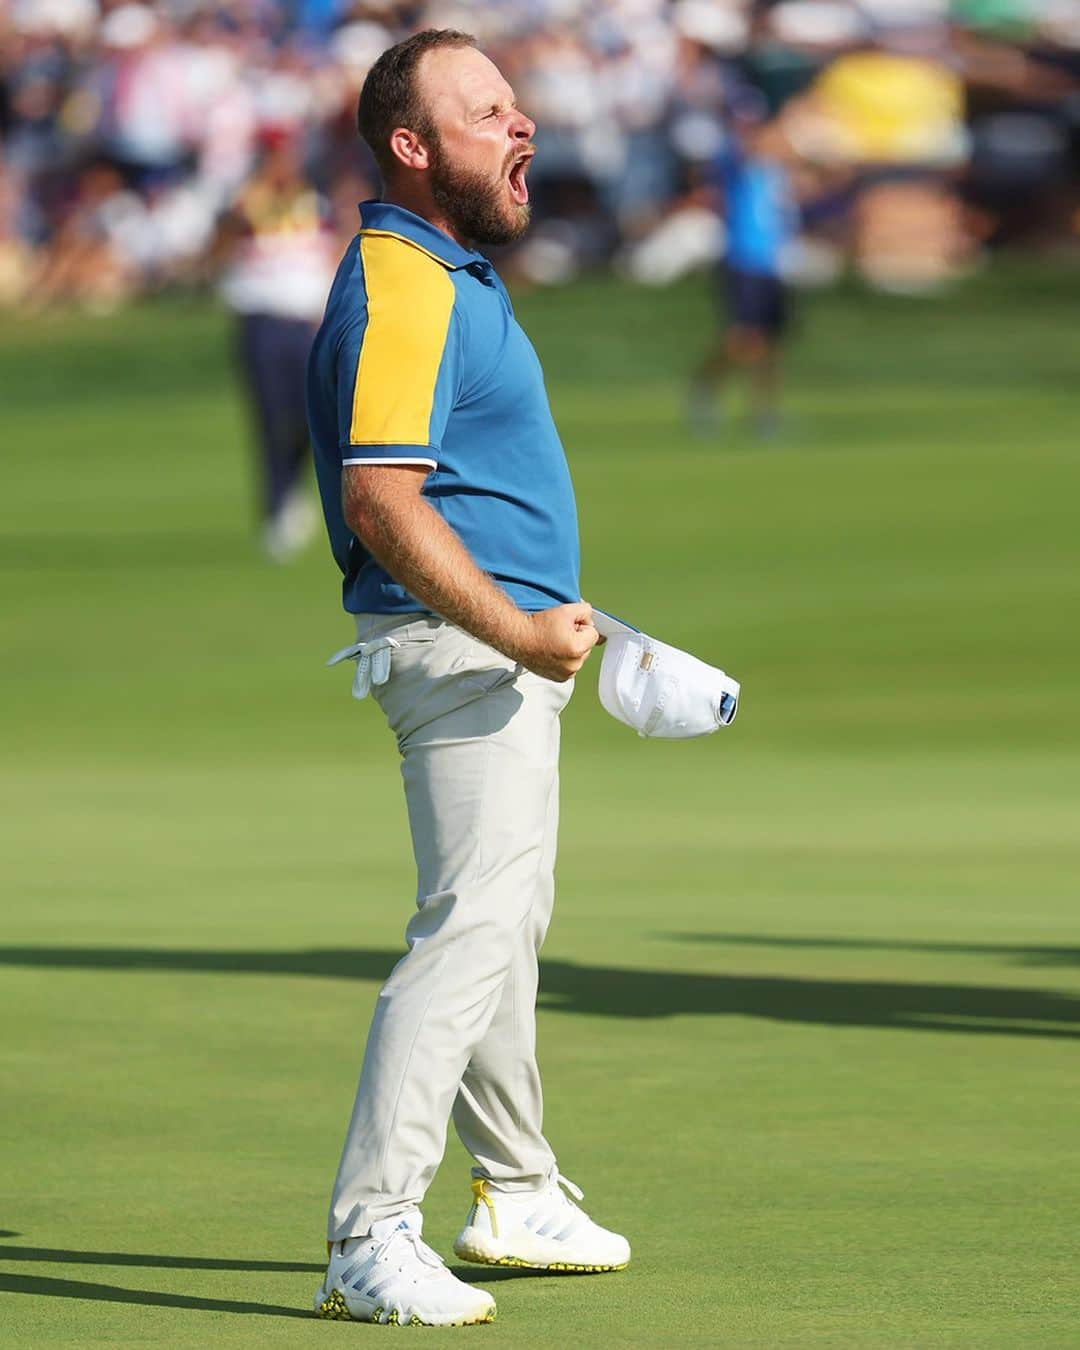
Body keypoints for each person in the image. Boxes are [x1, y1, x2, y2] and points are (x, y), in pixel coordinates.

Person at [305, 29, 630, 1328]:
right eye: (485, 108)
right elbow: (381, 499)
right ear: (411, 145)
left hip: (492, 647)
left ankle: (516, 1185)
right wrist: (517, 631)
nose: (521, 124)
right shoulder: (404, 281)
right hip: (461, 654)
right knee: (469, 934)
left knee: (504, 926)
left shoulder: (451, 272)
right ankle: (368, 1231)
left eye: (515, 103)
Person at [216, 132, 336, 560]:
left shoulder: (314, 202)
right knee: (269, 415)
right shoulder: (244, 202)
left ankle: (293, 488)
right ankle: (277, 508)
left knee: (310, 415)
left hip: (306, 320)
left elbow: (329, 252)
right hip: (260, 316)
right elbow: (218, 249)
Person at [689, 92, 799, 438]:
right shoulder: (731, 159)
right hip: (742, 259)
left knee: (772, 342)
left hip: (772, 262)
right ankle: (705, 389)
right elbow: (736, 158)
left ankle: (765, 411)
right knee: (743, 339)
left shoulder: (774, 169)